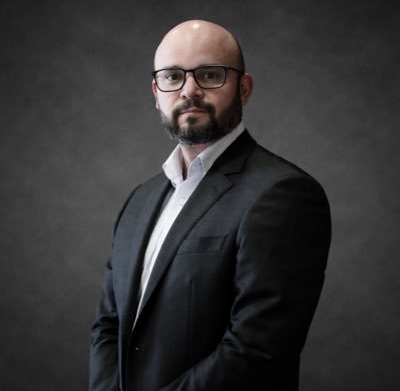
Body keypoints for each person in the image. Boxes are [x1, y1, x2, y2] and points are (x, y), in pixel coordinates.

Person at [89, 20, 331, 391]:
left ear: (243, 89)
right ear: (156, 92)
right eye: (173, 77)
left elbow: (257, 352)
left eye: (210, 75)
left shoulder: (284, 194)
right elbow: (108, 326)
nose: (189, 90)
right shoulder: (139, 202)